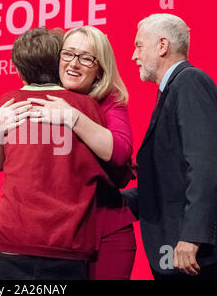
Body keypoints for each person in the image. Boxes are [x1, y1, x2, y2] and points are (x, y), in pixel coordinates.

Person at [0, 27, 115, 280]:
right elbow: (113, 163)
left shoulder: (8, 103)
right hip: (68, 244)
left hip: (12, 239)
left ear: (18, 68)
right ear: (59, 62)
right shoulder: (87, 107)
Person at [124, 13, 217, 280]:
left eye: (139, 45)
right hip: (180, 247)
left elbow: (206, 164)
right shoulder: (173, 89)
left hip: (192, 250)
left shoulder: (189, 82)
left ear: (162, 46)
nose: (134, 55)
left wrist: (193, 235)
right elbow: (171, 182)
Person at [27, 26, 136, 280]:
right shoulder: (44, 97)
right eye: (68, 54)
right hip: (60, 238)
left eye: (86, 58)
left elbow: (120, 153)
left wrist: (72, 116)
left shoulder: (110, 101)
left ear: (100, 69)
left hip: (105, 235)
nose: (74, 64)